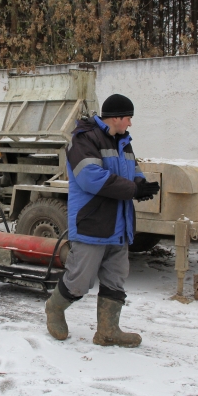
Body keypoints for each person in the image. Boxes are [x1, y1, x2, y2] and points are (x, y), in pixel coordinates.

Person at [45, 94, 159, 347]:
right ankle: (54, 309)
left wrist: (142, 184)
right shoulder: (83, 140)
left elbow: (133, 170)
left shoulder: (123, 141)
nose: (130, 123)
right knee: (79, 282)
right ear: (116, 117)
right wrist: (132, 190)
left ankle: (108, 331)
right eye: (128, 117)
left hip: (119, 226)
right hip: (93, 224)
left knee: (115, 279)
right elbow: (90, 178)